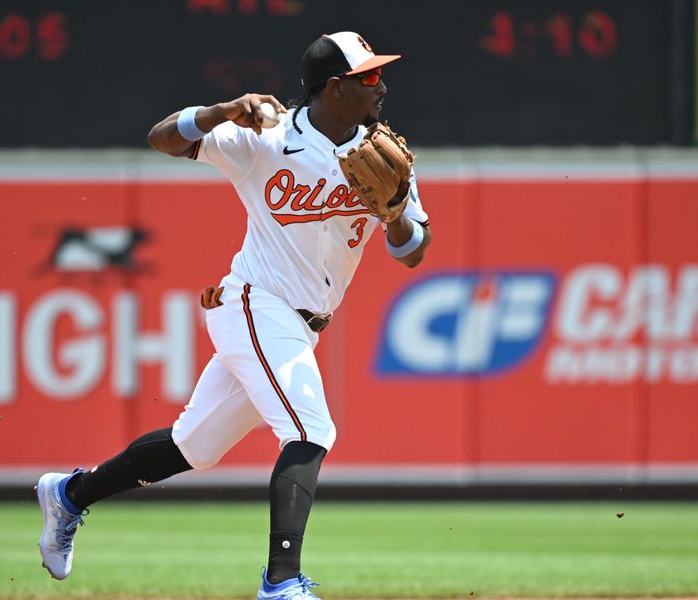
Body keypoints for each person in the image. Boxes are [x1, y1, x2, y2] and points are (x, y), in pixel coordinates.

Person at [36, 31, 431, 600]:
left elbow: (414, 250)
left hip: (301, 325)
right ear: (335, 87)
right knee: (310, 428)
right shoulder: (266, 136)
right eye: (368, 77)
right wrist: (222, 110)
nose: (382, 84)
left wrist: (394, 217)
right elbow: (162, 138)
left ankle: (69, 495)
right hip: (254, 303)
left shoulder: (386, 155)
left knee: (190, 447)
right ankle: (282, 582)